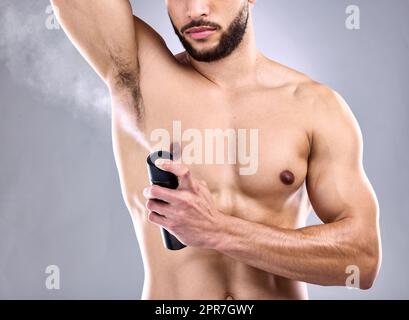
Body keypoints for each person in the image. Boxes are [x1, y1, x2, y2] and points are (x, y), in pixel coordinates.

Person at [51, 0, 382, 299]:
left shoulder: (316, 107)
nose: (194, 9)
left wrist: (218, 231)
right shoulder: (138, 75)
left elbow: (362, 260)